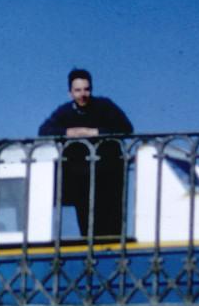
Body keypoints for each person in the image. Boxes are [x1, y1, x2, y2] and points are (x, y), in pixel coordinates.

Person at [38, 68, 134, 240]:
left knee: (112, 226)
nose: (83, 94)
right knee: (87, 225)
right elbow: (44, 131)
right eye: (78, 90)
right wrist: (69, 132)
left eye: (86, 89)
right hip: (81, 178)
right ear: (70, 93)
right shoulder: (65, 111)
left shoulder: (105, 106)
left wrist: (94, 132)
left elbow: (126, 128)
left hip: (109, 175)